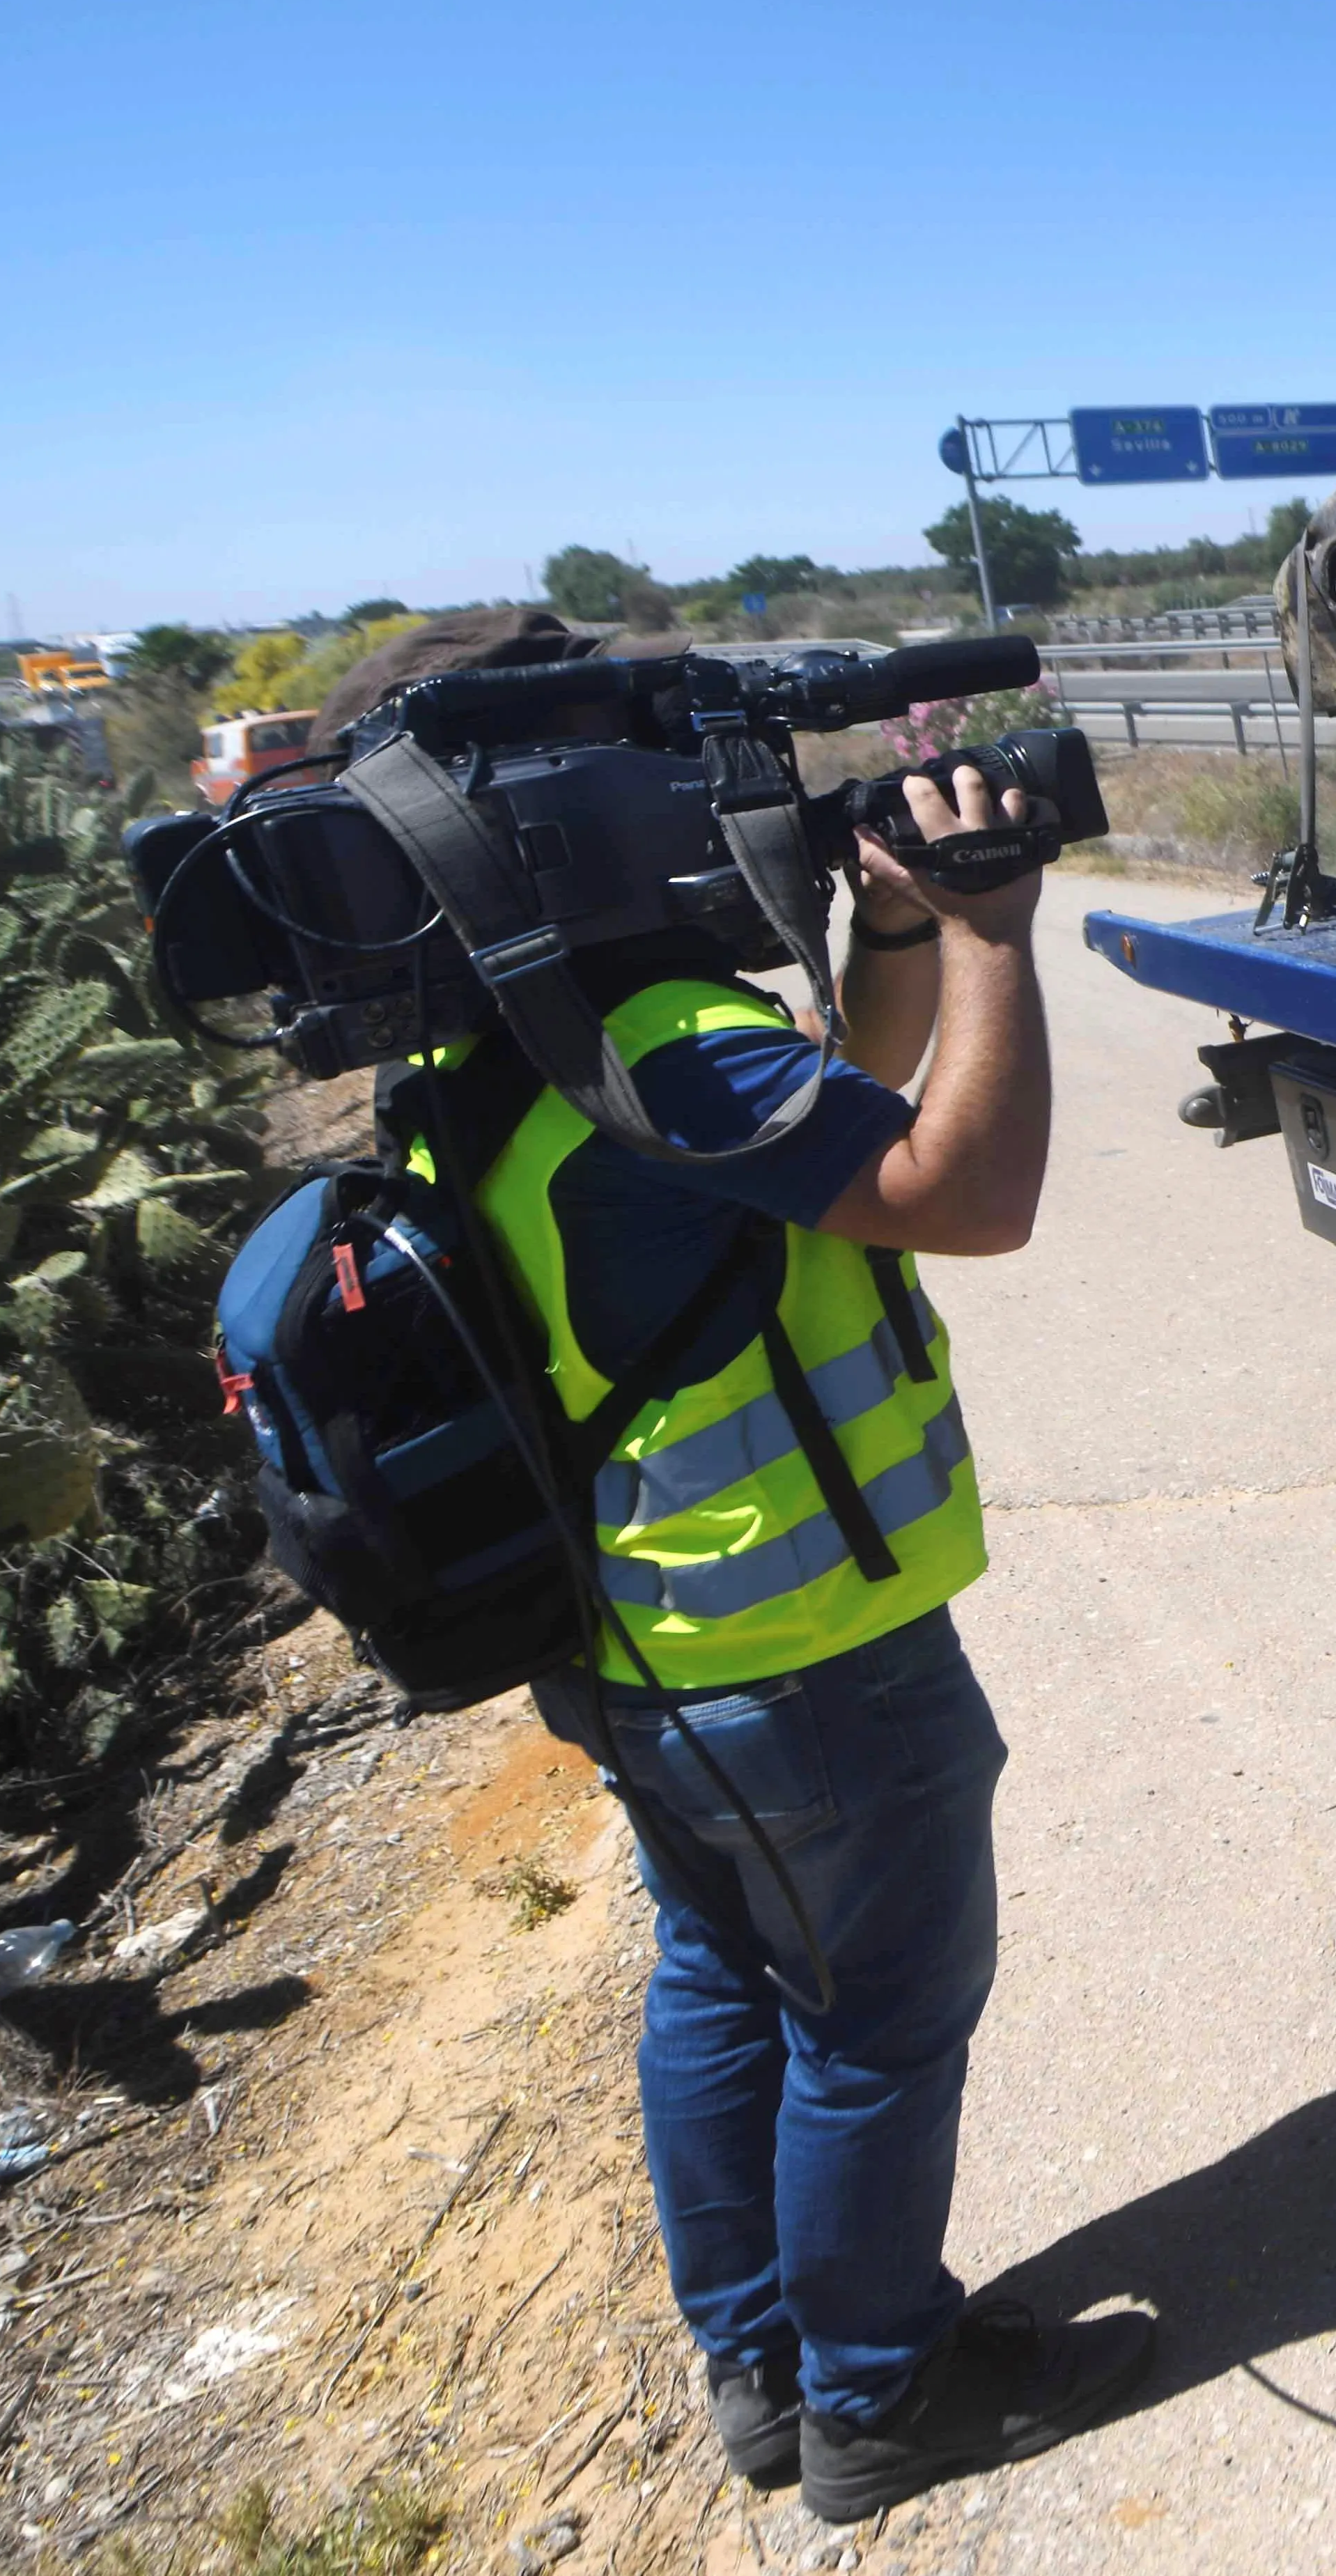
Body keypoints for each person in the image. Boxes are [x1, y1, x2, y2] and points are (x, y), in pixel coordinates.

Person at [456, 759, 1152, 2527]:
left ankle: (761, 2368)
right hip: (802, 1650)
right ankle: (879, 2396)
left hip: (646, 1644)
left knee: (720, 1976)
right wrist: (999, 933)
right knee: (876, 2025)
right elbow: (962, 1187)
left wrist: (905, 923)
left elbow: (823, 1109)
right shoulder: (669, 1034)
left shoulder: (499, 1043)